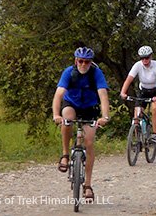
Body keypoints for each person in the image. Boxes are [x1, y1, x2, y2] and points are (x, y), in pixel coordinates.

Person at [52, 46, 110, 202]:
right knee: (67, 119)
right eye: (81, 61)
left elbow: (103, 95)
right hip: (71, 104)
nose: (83, 64)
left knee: (89, 142)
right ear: (76, 60)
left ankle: (88, 185)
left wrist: (105, 116)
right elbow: (58, 95)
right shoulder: (68, 72)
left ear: (91, 62)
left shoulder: (96, 73)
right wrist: (56, 115)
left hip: (89, 108)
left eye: (87, 62)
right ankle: (65, 155)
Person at [120, 46, 156, 143]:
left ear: (151, 56)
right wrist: (123, 92)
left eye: (147, 57)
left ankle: (154, 133)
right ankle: (137, 140)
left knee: (155, 108)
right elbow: (128, 80)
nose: (144, 60)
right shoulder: (137, 65)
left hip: (155, 90)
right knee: (136, 115)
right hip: (143, 90)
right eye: (142, 58)